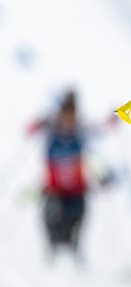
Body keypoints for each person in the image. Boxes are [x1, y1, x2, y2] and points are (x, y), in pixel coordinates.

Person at [26, 90, 111, 261]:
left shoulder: (80, 132)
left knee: (79, 215)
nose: (68, 120)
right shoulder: (50, 132)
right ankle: (52, 249)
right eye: (65, 115)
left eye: (71, 116)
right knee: (49, 216)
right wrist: (38, 123)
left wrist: (102, 176)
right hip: (54, 189)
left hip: (76, 190)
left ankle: (74, 247)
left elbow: (100, 132)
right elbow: (29, 130)